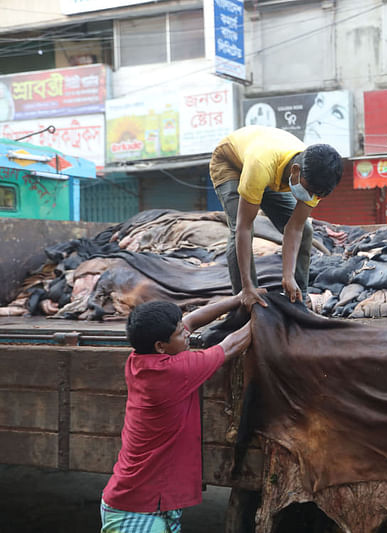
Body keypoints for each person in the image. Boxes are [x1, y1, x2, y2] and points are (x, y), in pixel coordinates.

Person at [100, 295, 252, 532]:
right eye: (181, 334)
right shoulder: (173, 372)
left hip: (145, 498)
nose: (187, 334)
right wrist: (269, 311)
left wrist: (239, 299)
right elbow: (231, 345)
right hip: (137, 509)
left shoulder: (140, 358)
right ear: (161, 346)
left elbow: (191, 320)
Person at [210, 125, 343, 309]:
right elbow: (244, 227)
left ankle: (299, 297)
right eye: (309, 191)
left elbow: (295, 228)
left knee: (305, 230)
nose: (311, 197)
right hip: (229, 162)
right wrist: (248, 285)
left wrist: (288, 276)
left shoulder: (315, 182)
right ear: (295, 171)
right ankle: (247, 296)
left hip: (267, 167)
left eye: (317, 194)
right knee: (240, 229)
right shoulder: (261, 166)